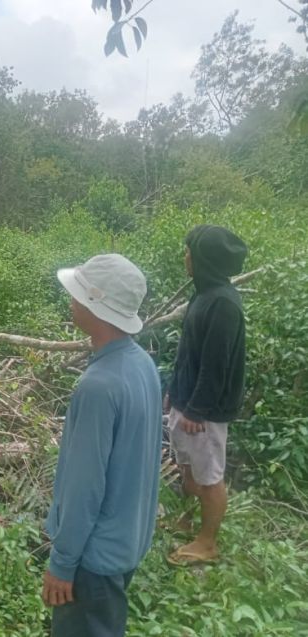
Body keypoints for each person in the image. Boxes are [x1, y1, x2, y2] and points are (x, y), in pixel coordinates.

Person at [43, 254, 162, 637]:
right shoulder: (141, 364)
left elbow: (84, 487)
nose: (70, 300)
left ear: (95, 307)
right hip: (126, 542)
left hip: (93, 560)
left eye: (77, 293)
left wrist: (62, 563)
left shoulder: (97, 387)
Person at [165, 225, 247, 565]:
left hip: (206, 412)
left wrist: (197, 411)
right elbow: (189, 352)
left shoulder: (223, 305)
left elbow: (216, 367)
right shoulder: (202, 294)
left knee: (209, 477)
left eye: (190, 252)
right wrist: (174, 389)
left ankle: (208, 543)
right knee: (187, 467)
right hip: (188, 402)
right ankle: (188, 520)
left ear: (205, 260)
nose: (185, 257)